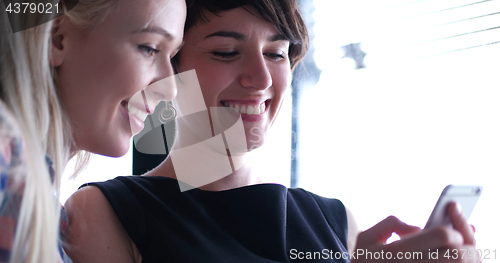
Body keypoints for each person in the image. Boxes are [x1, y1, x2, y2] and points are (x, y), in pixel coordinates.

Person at [64, 0, 478, 262]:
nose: (261, 79)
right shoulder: (104, 213)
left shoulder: (334, 222)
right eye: (226, 52)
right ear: (170, 66)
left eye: (276, 54)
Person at [0, 0, 185, 262]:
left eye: (173, 56)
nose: (170, 89)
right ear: (57, 38)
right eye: (150, 48)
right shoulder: (6, 157)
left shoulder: (50, 211)